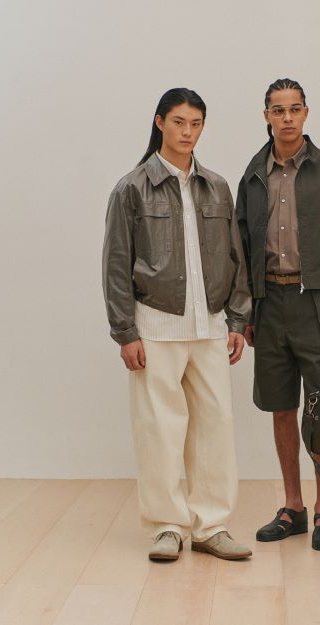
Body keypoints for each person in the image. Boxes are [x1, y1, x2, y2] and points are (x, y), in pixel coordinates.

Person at [102, 88, 252, 561]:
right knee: (160, 430)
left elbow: (236, 257)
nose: (188, 132)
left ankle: (211, 526)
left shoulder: (217, 187)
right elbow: (116, 263)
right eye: (179, 122)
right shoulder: (131, 188)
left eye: (196, 124)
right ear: (160, 122)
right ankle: (167, 525)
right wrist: (125, 331)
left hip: (210, 326)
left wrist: (238, 318)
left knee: (215, 428)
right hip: (155, 327)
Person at [236, 78, 320, 551]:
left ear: (306, 113)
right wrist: (246, 310)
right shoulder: (253, 174)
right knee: (281, 405)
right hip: (269, 305)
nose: (287, 117)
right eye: (278, 109)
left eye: (294, 109)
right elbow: (241, 245)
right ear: (266, 116)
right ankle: (293, 507)